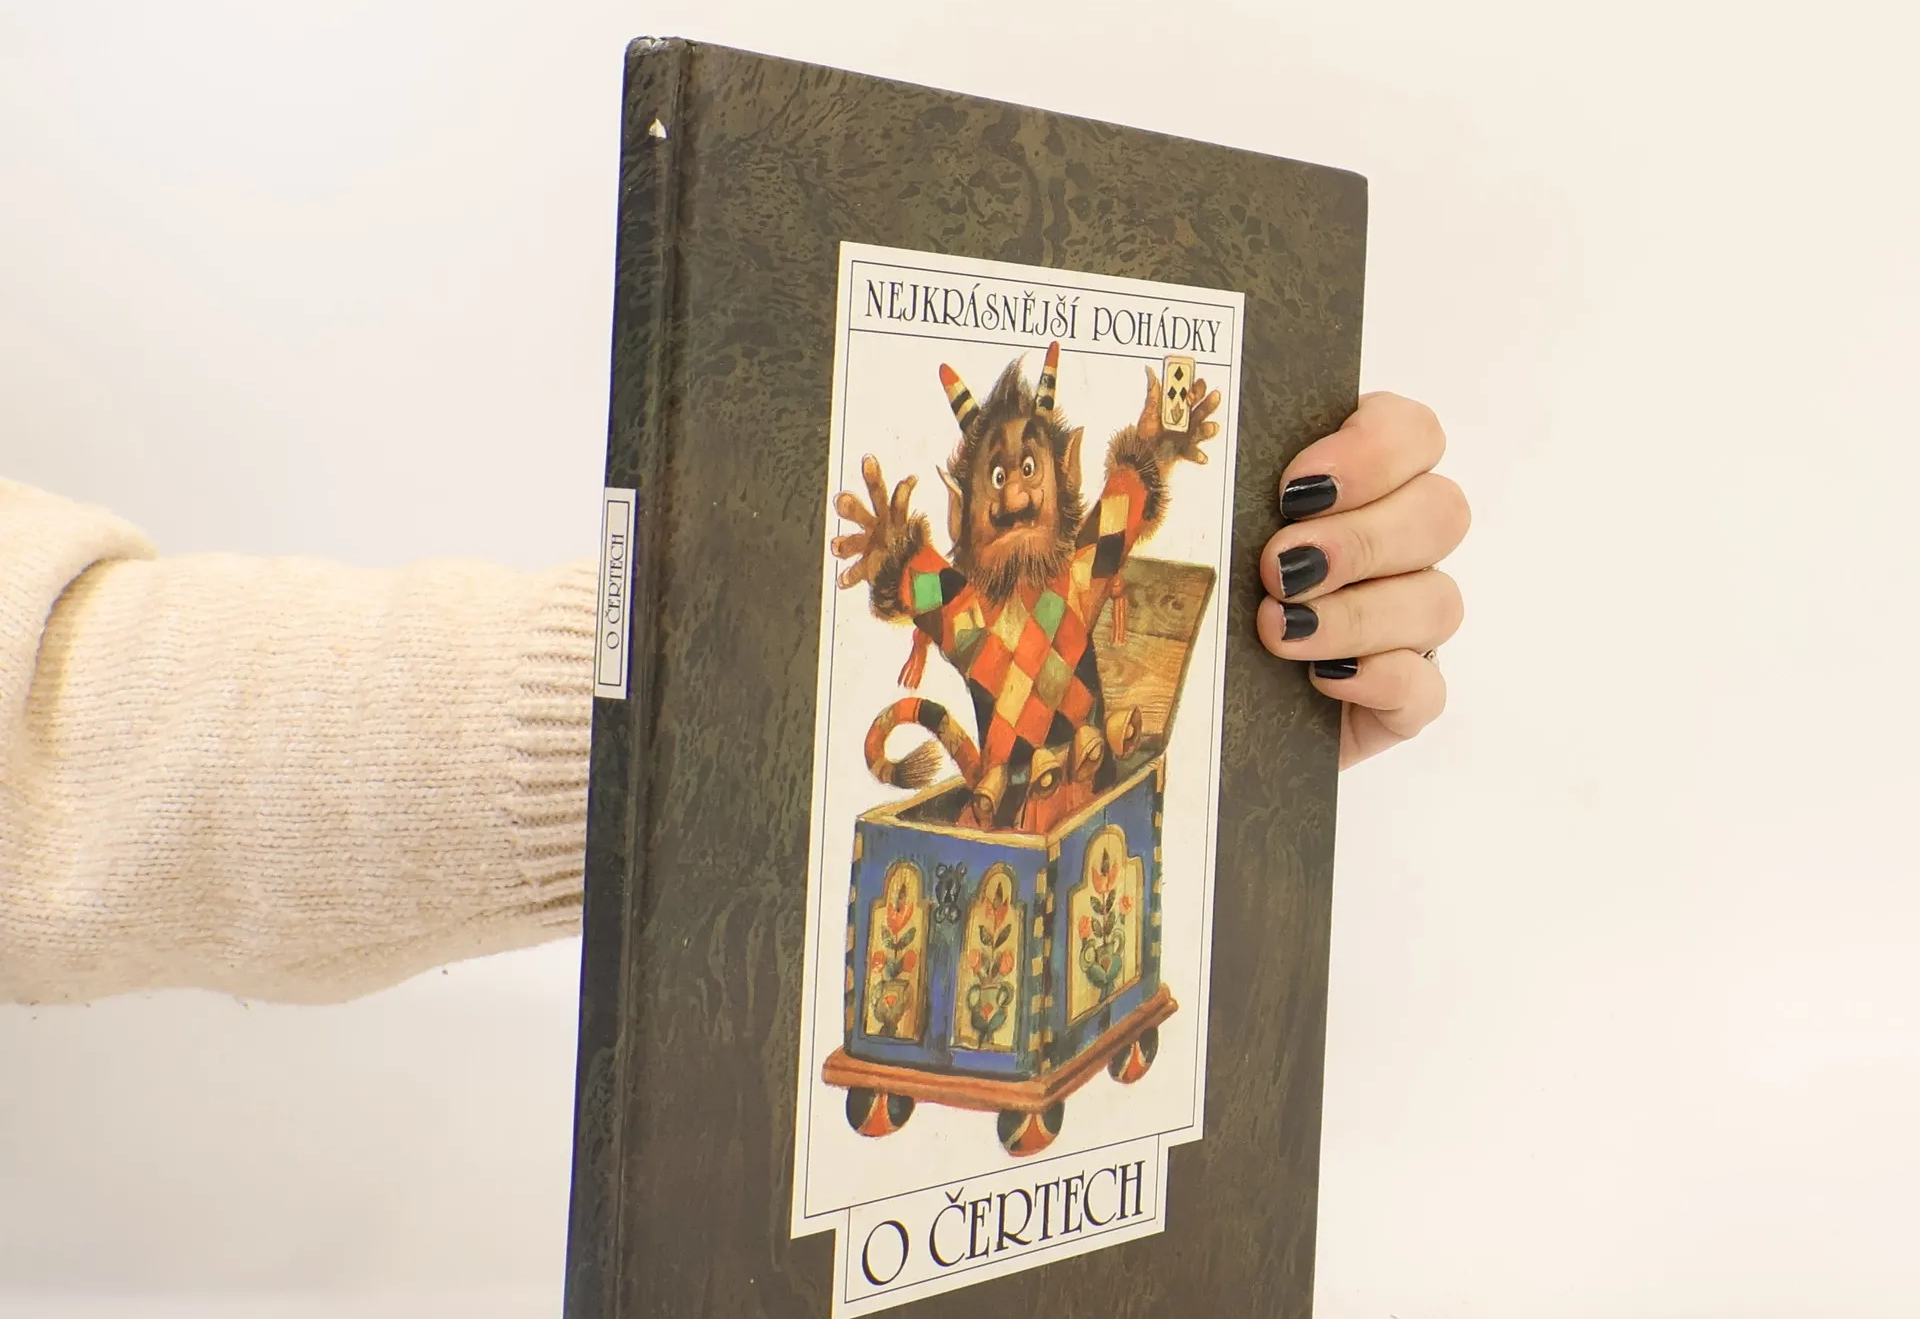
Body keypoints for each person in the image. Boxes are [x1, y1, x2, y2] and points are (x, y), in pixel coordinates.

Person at [0, 393, 1465, 1007]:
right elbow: (71, 756)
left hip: (1066, 778)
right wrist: (719, 702)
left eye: (1038, 470)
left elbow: (81, 717)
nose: (1021, 488)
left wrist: (1229, 656)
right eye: (1000, 475)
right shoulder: (971, 599)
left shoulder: (1074, 564)